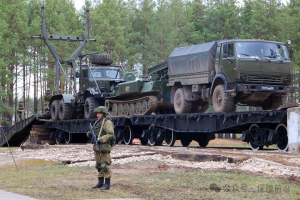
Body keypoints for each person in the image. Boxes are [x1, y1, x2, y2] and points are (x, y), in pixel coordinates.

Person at [87, 106, 115, 190]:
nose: (97, 115)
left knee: (104, 165)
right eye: (97, 114)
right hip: (97, 147)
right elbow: (92, 132)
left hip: (104, 147)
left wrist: (101, 139)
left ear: (103, 114)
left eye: (99, 114)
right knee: (98, 165)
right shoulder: (97, 123)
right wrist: (89, 134)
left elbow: (111, 135)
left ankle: (107, 184)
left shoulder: (107, 123)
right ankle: (100, 182)